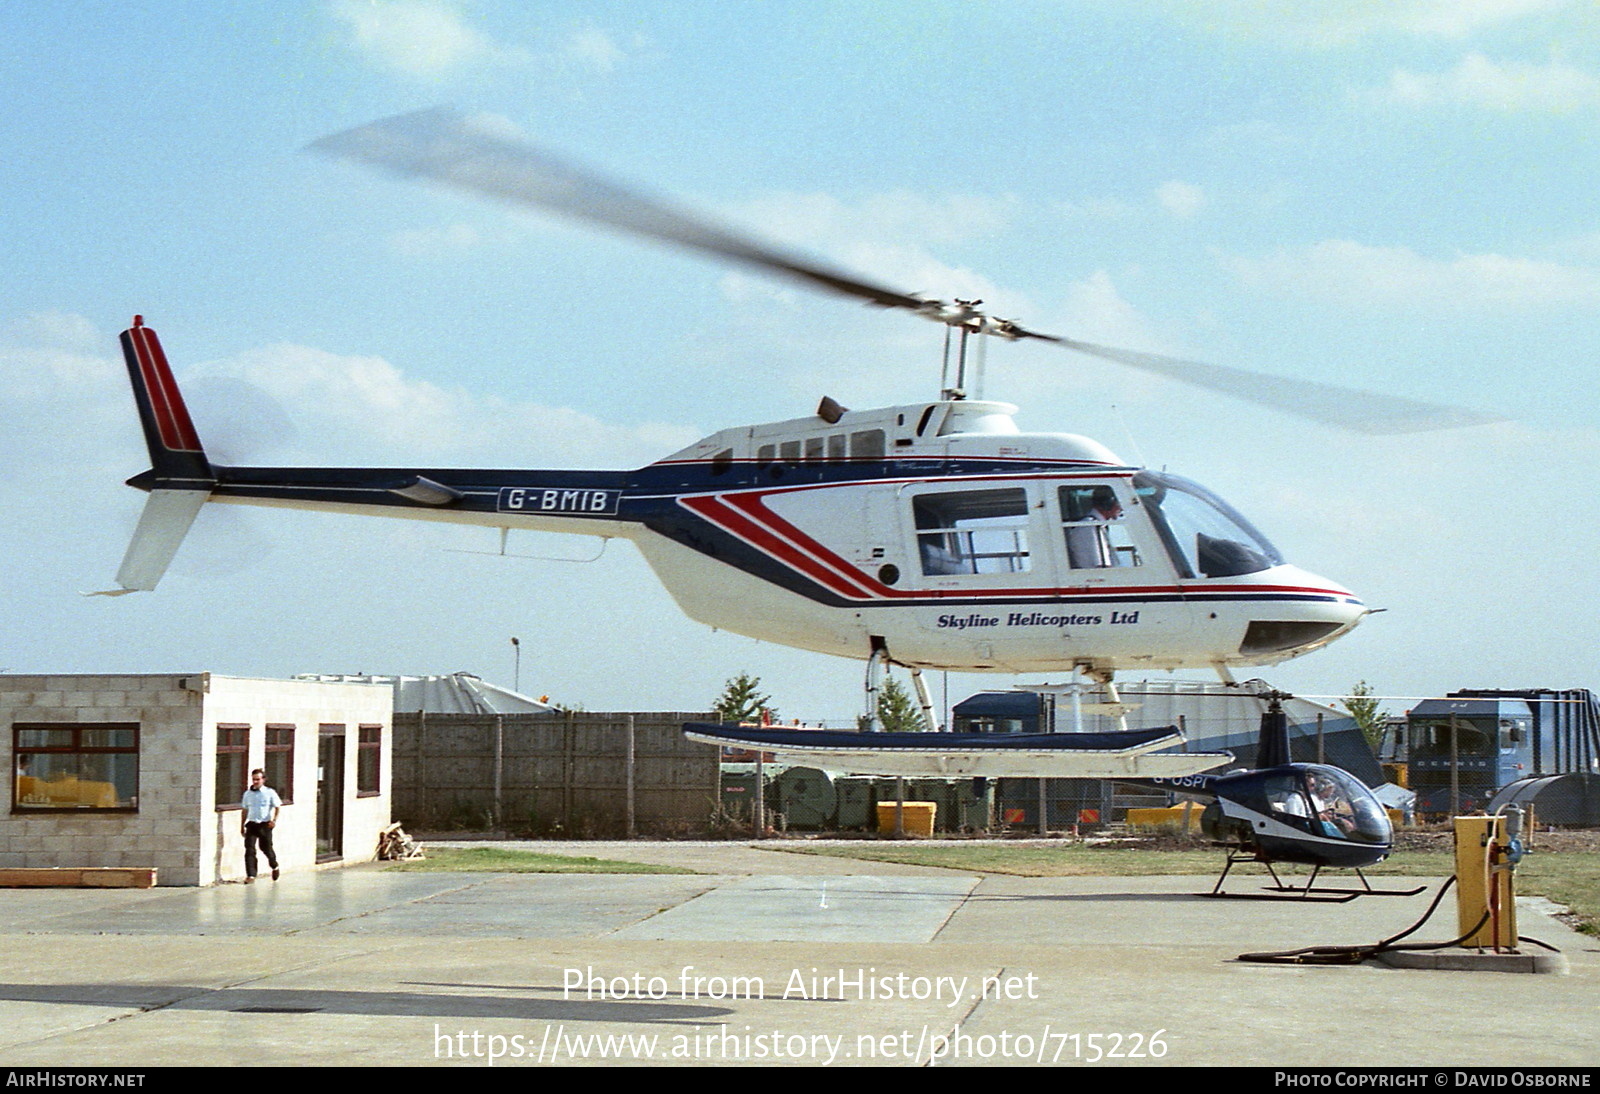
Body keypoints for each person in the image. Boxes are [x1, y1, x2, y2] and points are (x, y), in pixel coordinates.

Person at [240, 768, 282, 883]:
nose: (255, 782)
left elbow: (278, 806)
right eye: (253, 779)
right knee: (249, 849)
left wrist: (274, 820)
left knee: (266, 848)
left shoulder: (270, 793)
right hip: (252, 824)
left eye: (258, 779)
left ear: (263, 780)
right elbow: (244, 810)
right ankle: (251, 875)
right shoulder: (248, 794)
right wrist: (242, 825)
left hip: (265, 825)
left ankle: (274, 866)